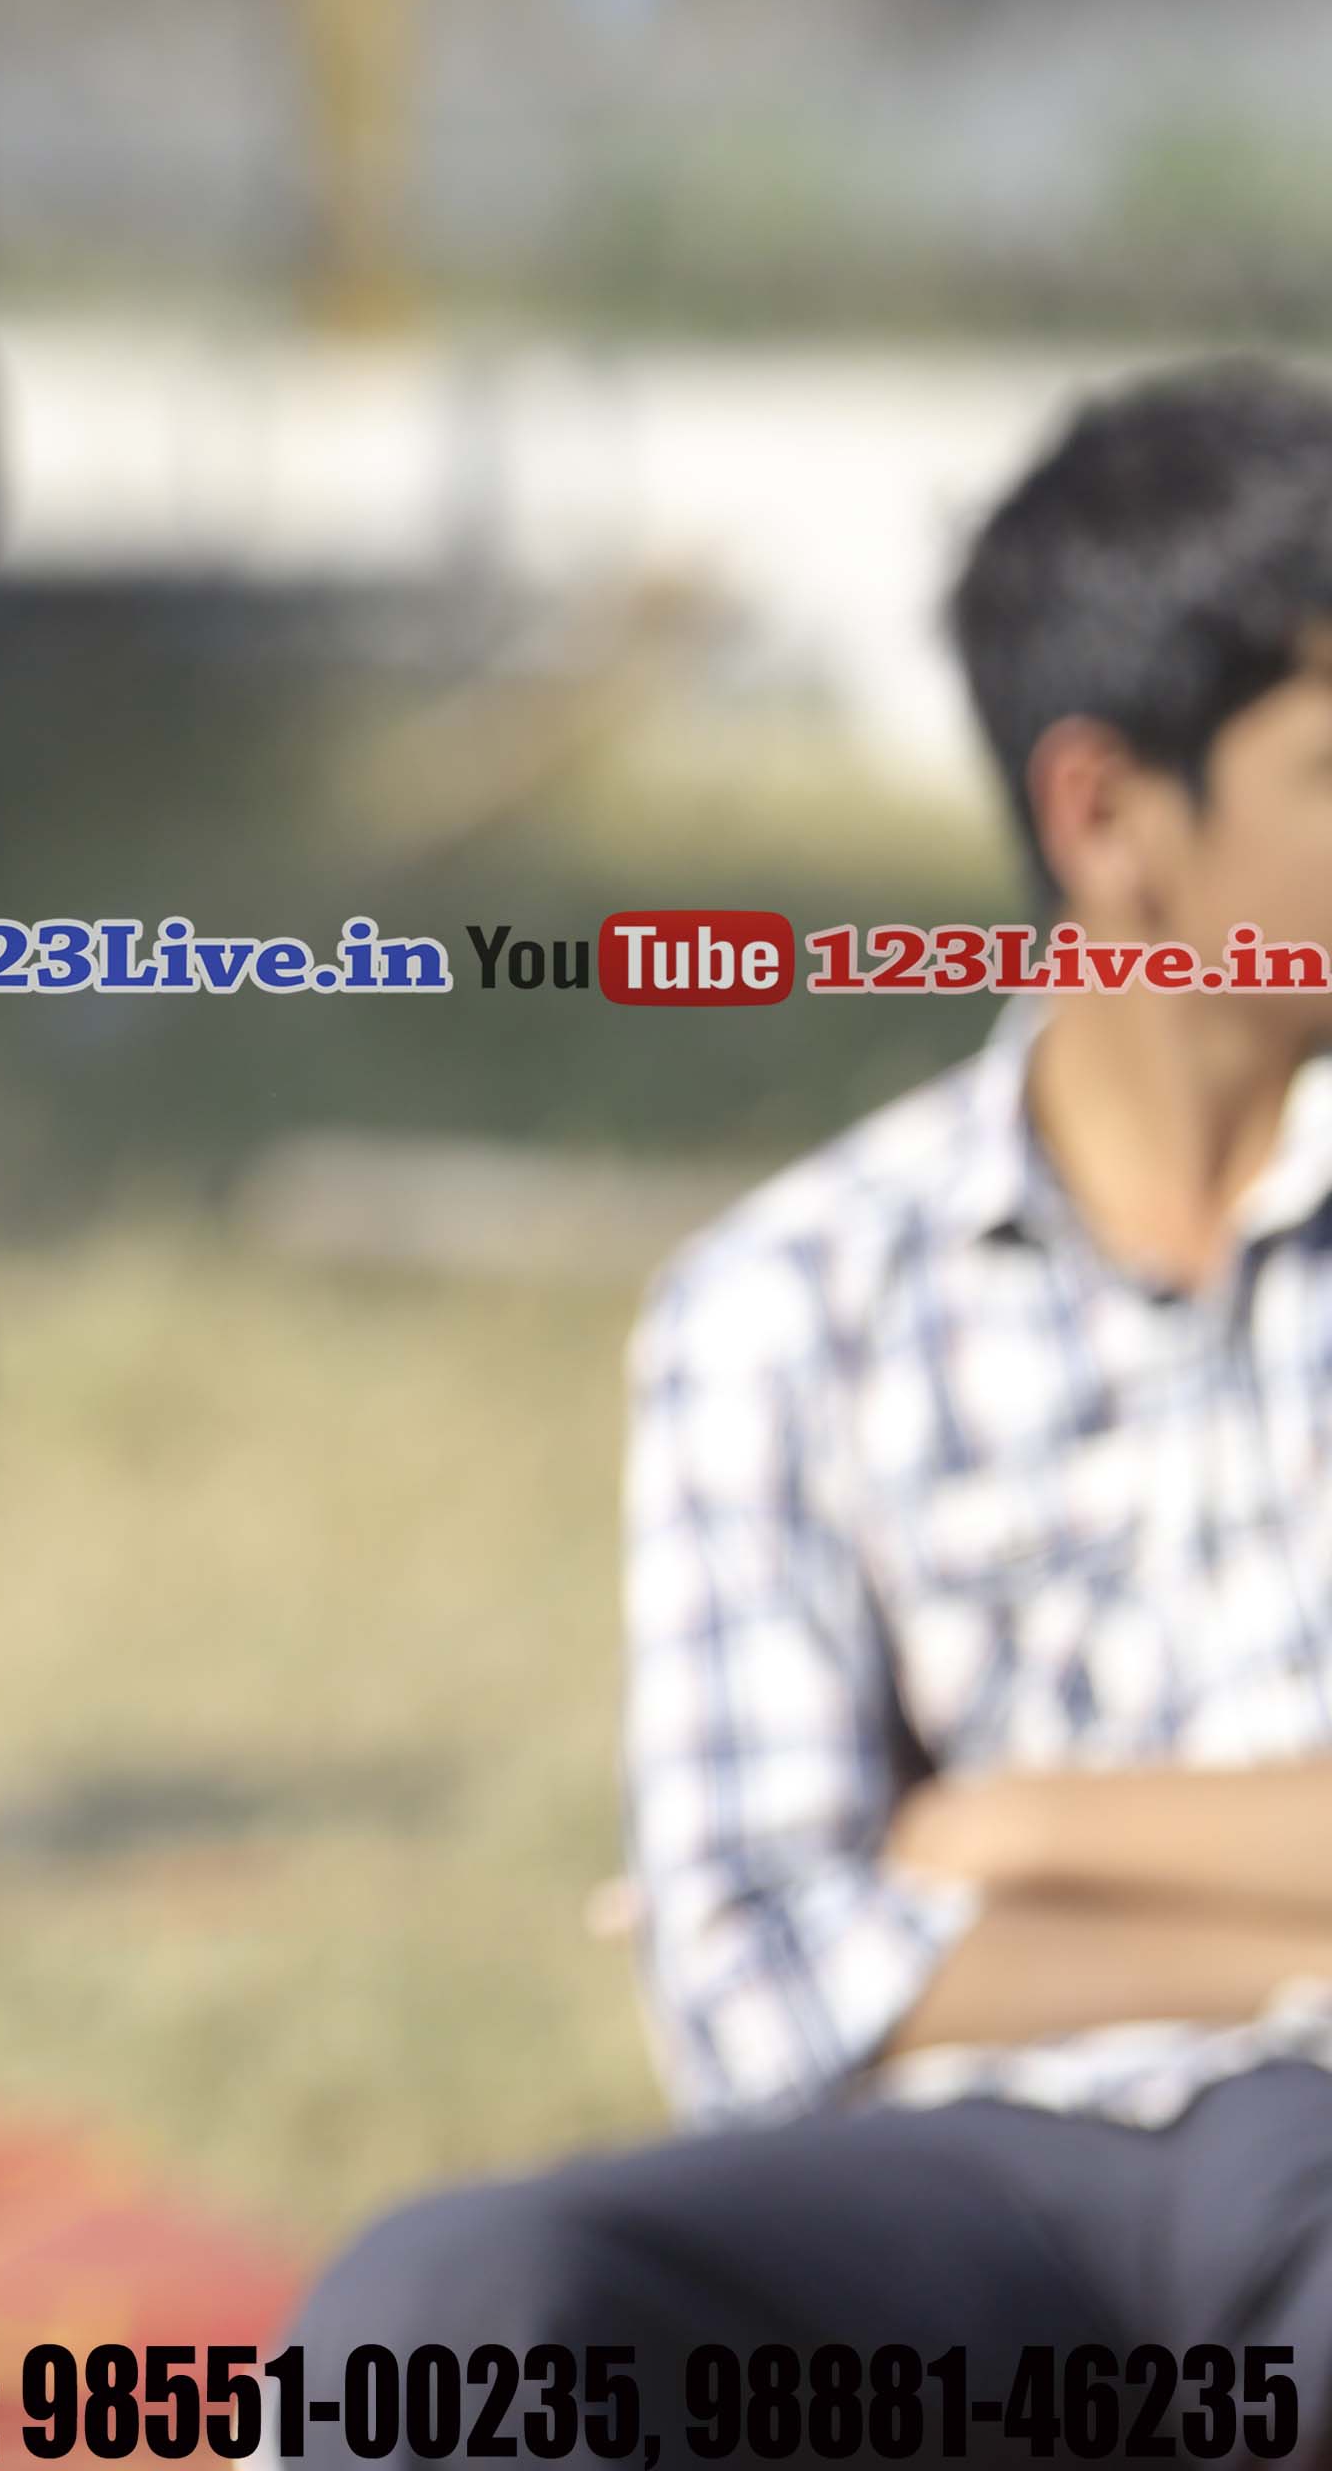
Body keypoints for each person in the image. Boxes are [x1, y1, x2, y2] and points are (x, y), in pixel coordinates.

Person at [303, 360, 1332, 2362]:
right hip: (954, 2199)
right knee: (440, 2314)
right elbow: (757, 1989)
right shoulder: (787, 1305)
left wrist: (1005, 1830)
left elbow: (835, 1917)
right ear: (1107, 816)